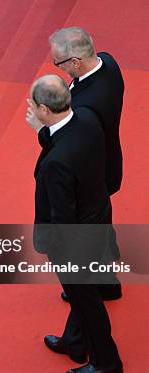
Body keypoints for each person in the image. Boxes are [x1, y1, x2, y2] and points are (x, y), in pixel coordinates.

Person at [29, 75, 123, 373]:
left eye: (33, 105)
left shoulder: (57, 162)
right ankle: (75, 341)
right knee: (83, 296)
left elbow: (62, 217)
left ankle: (106, 361)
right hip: (96, 219)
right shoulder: (85, 118)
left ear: (44, 109)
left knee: (85, 302)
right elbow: (64, 140)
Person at [27, 26, 124, 302]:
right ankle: (108, 282)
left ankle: (95, 284)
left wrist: (41, 130)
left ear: (75, 63)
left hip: (89, 174)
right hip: (107, 166)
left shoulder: (85, 109)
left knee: (87, 230)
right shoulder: (109, 63)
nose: (57, 68)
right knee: (101, 219)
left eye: (58, 62)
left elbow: (70, 145)